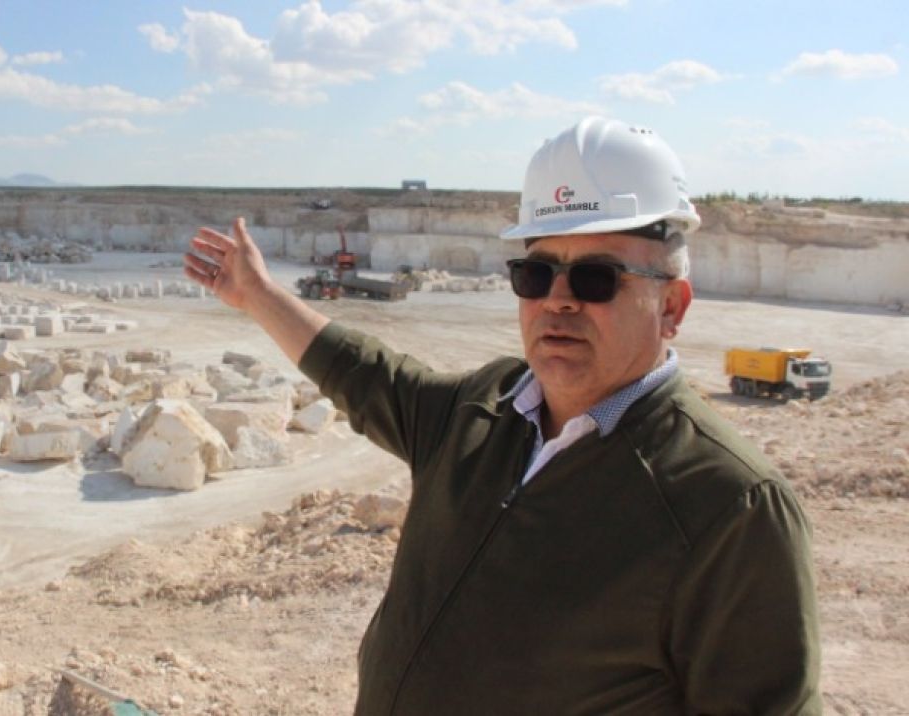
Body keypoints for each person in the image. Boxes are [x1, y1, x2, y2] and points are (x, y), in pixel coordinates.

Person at [183, 116, 820, 715]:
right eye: (535, 274)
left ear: (672, 307)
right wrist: (260, 297)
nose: (558, 302)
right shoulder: (484, 410)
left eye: (596, 279)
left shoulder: (729, 506)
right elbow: (368, 376)